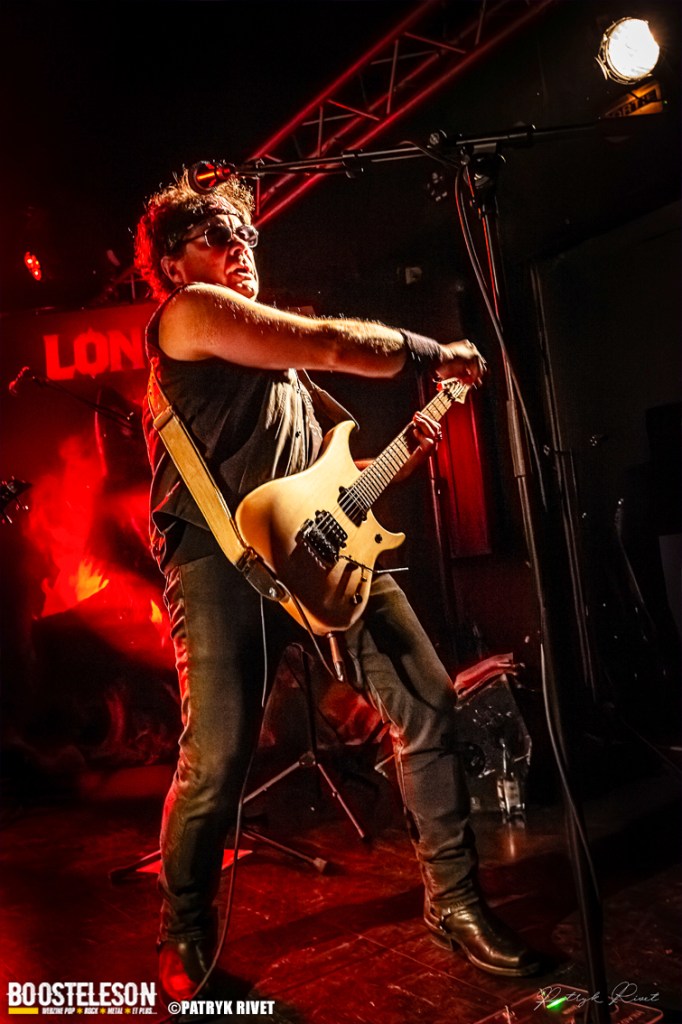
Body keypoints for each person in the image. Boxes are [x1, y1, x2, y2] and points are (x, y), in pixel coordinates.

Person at [134, 169, 540, 1005]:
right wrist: (434, 352)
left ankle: (455, 902)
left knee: (426, 699)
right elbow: (327, 340)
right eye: (218, 233)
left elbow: (338, 480)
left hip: (320, 555)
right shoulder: (188, 315)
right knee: (217, 759)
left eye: (248, 233)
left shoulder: (285, 376)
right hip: (219, 559)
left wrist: (400, 457)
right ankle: (183, 931)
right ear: (173, 263)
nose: (241, 245)